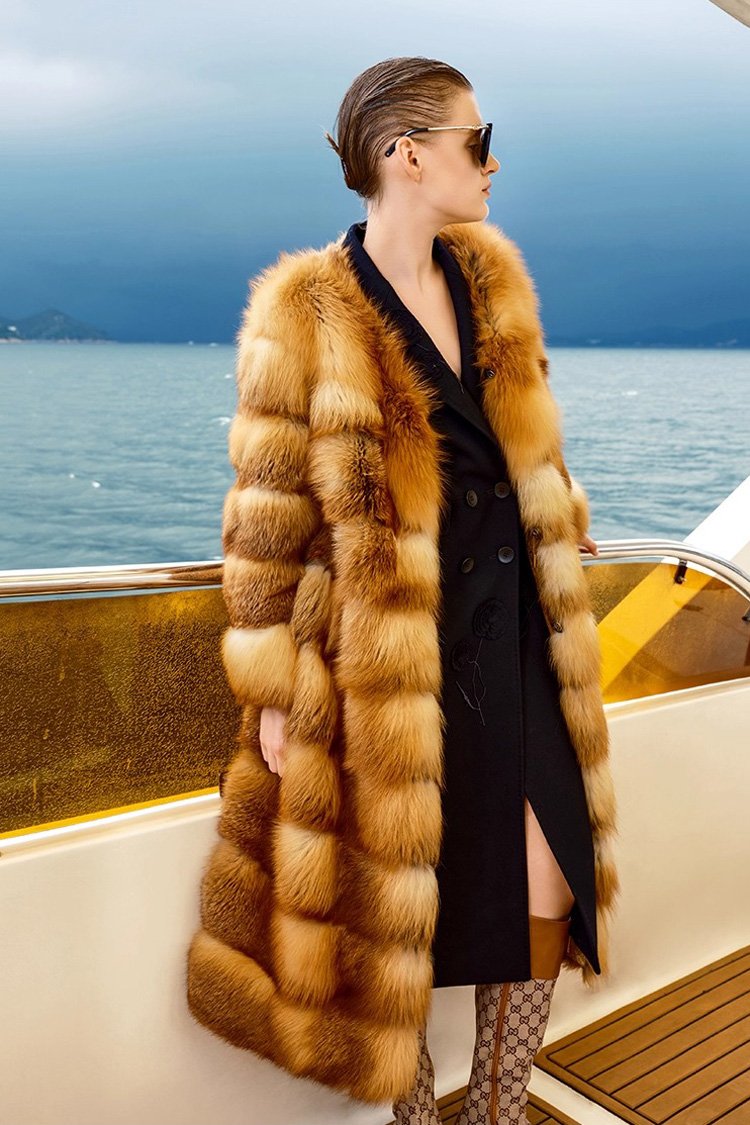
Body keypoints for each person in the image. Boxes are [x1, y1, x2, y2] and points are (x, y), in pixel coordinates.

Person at [186, 56, 620, 1124]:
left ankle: (497, 1111)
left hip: (518, 637)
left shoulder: (491, 279)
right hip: (387, 659)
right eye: (480, 139)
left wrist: (562, 514)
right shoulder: (304, 310)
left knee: (549, 880)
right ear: (407, 154)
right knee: (392, 921)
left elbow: (533, 442)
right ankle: (421, 1118)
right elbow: (265, 517)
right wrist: (274, 692)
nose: (493, 161)